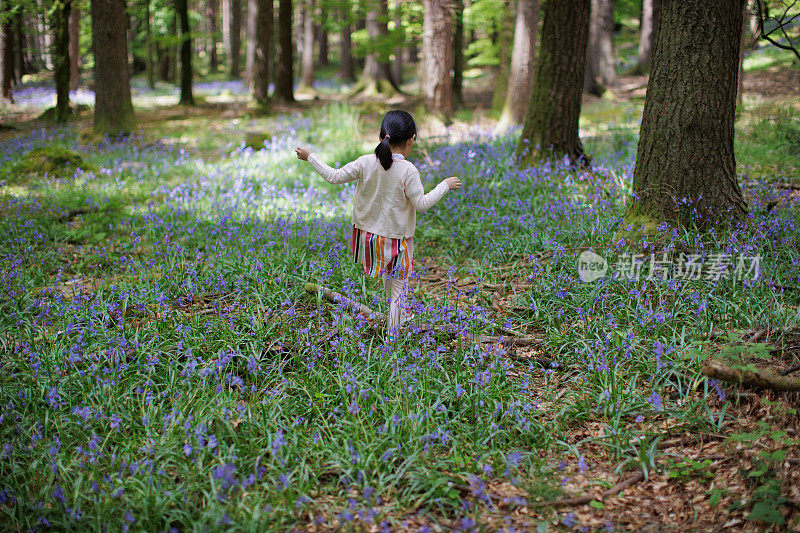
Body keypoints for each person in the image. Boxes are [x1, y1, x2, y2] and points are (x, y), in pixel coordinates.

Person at [295, 110, 461, 337]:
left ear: (382, 135)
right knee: (398, 294)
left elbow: (333, 176)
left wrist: (310, 156)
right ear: (411, 139)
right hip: (396, 240)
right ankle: (392, 340)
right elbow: (421, 204)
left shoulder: (365, 162)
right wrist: (445, 185)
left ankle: (400, 316)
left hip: (369, 237)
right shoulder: (408, 170)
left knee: (388, 276)